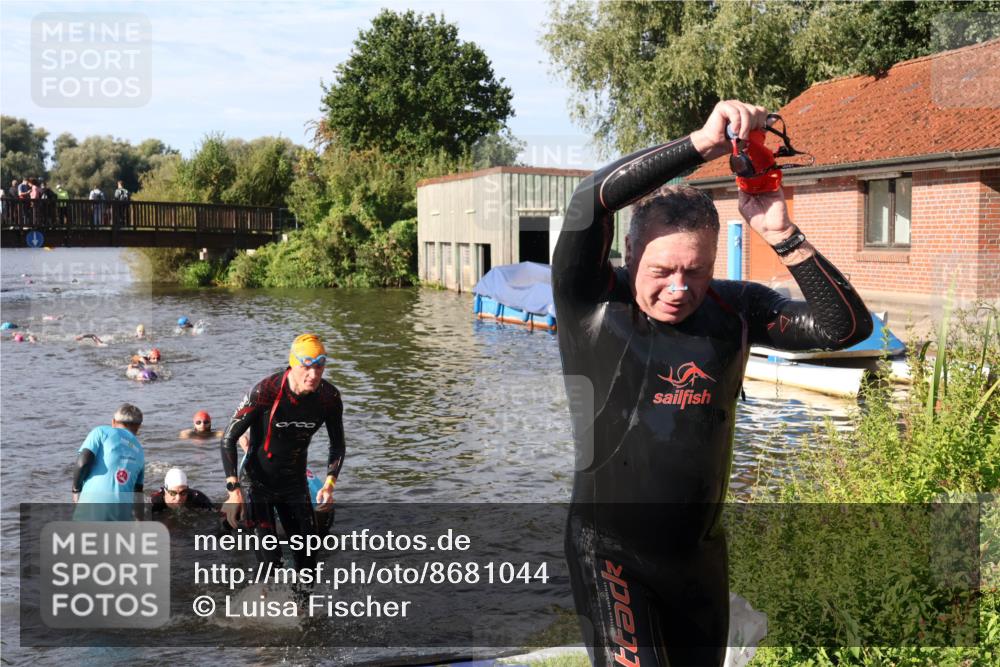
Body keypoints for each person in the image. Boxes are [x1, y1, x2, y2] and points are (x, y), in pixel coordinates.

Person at [553, 100, 873, 667]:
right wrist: (701, 145)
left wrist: (782, 234)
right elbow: (587, 202)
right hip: (610, 555)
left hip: (697, 560)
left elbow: (844, 328)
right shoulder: (593, 301)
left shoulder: (735, 309)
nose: (679, 288)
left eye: (695, 271)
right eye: (661, 271)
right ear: (629, 254)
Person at [220, 334, 344, 579]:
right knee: (271, 565)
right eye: (306, 367)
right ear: (293, 364)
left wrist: (329, 484)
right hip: (258, 485)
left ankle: (300, 604)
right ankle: (259, 600)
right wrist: (234, 491)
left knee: (308, 564)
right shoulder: (266, 391)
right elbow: (228, 439)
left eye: (319, 367)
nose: (313, 375)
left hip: (294, 485)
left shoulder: (328, 398)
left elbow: (337, 445)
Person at [72, 403, 145, 520]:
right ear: (138, 427)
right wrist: (140, 521)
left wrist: (76, 490)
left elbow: (83, 463)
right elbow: (138, 494)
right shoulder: (140, 451)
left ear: (113, 422)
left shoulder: (101, 432)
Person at [150, 468, 214, 513]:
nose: (178, 498)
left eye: (183, 493)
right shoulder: (155, 503)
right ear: (165, 491)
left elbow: (216, 512)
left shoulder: (197, 497)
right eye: (173, 493)